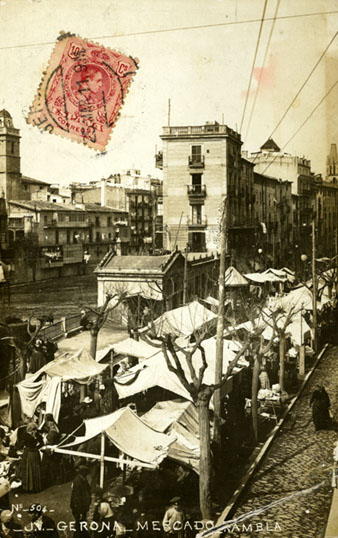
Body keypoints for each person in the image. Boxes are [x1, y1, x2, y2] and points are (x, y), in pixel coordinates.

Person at [21, 422, 42, 493]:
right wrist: (34, 439)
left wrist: (37, 446)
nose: (35, 431)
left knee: (35, 468)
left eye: (35, 430)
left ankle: (35, 487)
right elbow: (23, 444)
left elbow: (41, 443)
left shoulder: (37, 435)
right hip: (29, 453)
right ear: (30, 429)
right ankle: (29, 487)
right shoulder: (25, 435)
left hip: (35, 453)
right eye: (34, 429)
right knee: (29, 469)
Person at [70, 465, 91, 534]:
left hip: (82, 506)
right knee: (79, 522)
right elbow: (76, 497)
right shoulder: (78, 481)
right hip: (79, 507)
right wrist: (79, 509)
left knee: (81, 521)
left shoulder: (82, 479)